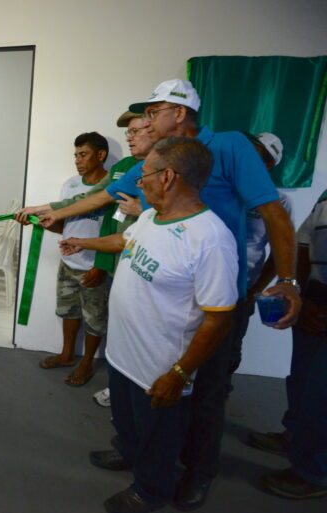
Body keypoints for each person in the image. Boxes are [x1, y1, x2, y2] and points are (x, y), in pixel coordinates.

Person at [40, 79, 301, 509]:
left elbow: (274, 213)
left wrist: (287, 280)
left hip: (211, 291)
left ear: (179, 113)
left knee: (203, 393)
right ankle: (137, 454)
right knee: (136, 387)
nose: (143, 122)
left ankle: (197, 473)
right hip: (165, 289)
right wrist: (53, 213)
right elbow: (103, 196)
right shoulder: (154, 177)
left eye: (152, 112)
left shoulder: (230, 149)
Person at [63, 137, 238, 513]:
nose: (139, 183)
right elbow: (124, 240)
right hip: (123, 353)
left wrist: (179, 373)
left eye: (144, 175)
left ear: (169, 176)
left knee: (158, 436)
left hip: (158, 367)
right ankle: (128, 453)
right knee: (127, 423)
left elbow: (219, 318)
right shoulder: (149, 216)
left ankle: (151, 490)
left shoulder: (210, 240)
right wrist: (81, 241)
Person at [20, 132, 111, 386]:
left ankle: (86, 363)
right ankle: (67, 354)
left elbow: (117, 233)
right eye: (76, 155)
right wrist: (37, 221)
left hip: (94, 265)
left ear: (101, 155)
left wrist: (101, 265)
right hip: (68, 264)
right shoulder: (70, 185)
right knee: (68, 310)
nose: (77, 160)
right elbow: (63, 227)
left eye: (83, 154)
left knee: (94, 318)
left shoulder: (112, 188)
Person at [257, 190, 327, 500]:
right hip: (316, 297)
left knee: (321, 392)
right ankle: (297, 436)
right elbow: (303, 241)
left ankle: (315, 472)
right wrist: (298, 290)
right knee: (301, 377)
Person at [227, 132, 292, 390]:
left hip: (241, 292)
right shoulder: (221, 187)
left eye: (254, 153)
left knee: (229, 350)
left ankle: (217, 398)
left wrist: (255, 290)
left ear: (267, 165)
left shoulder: (278, 202)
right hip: (201, 285)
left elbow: (279, 253)